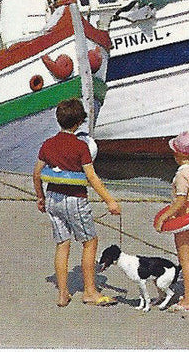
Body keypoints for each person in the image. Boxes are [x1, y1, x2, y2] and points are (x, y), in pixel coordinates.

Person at [33, 98, 121, 307]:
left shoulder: (48, 144)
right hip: (75, 199)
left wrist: (40, 197)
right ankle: (90, 291)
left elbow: (37, 174)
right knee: (89, 242)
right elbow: (91, 177)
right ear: (80, 122)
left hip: (53, 198)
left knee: (62, 245)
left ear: (58, 120)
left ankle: (63, 294)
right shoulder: (80, 146)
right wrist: (110, 201)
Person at [153, 131, 189, 312]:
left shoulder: (181, 176)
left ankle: (188, 300)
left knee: (185, 260)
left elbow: (179, 202)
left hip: (184, 221)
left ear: (177, 154)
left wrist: (163, 217)